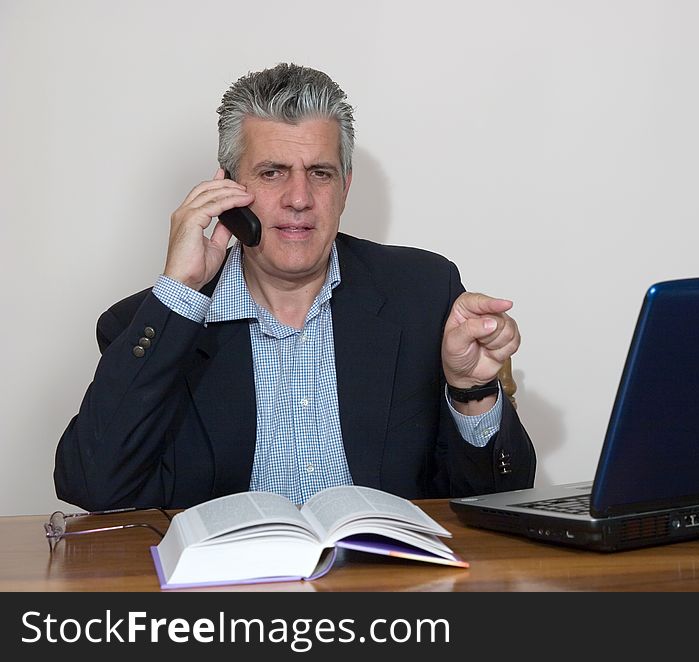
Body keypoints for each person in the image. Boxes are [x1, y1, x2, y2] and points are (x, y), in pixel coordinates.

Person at [54, 63, 536, 511]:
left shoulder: (423, 294)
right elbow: (93, 486)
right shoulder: (152, 323)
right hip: (229, 595)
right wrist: (181, 291)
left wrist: (473, 391)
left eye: (320, 174)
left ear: (345, 187)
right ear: (226, 190)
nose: (299, 199)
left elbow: (496, 500)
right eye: (272, 173)